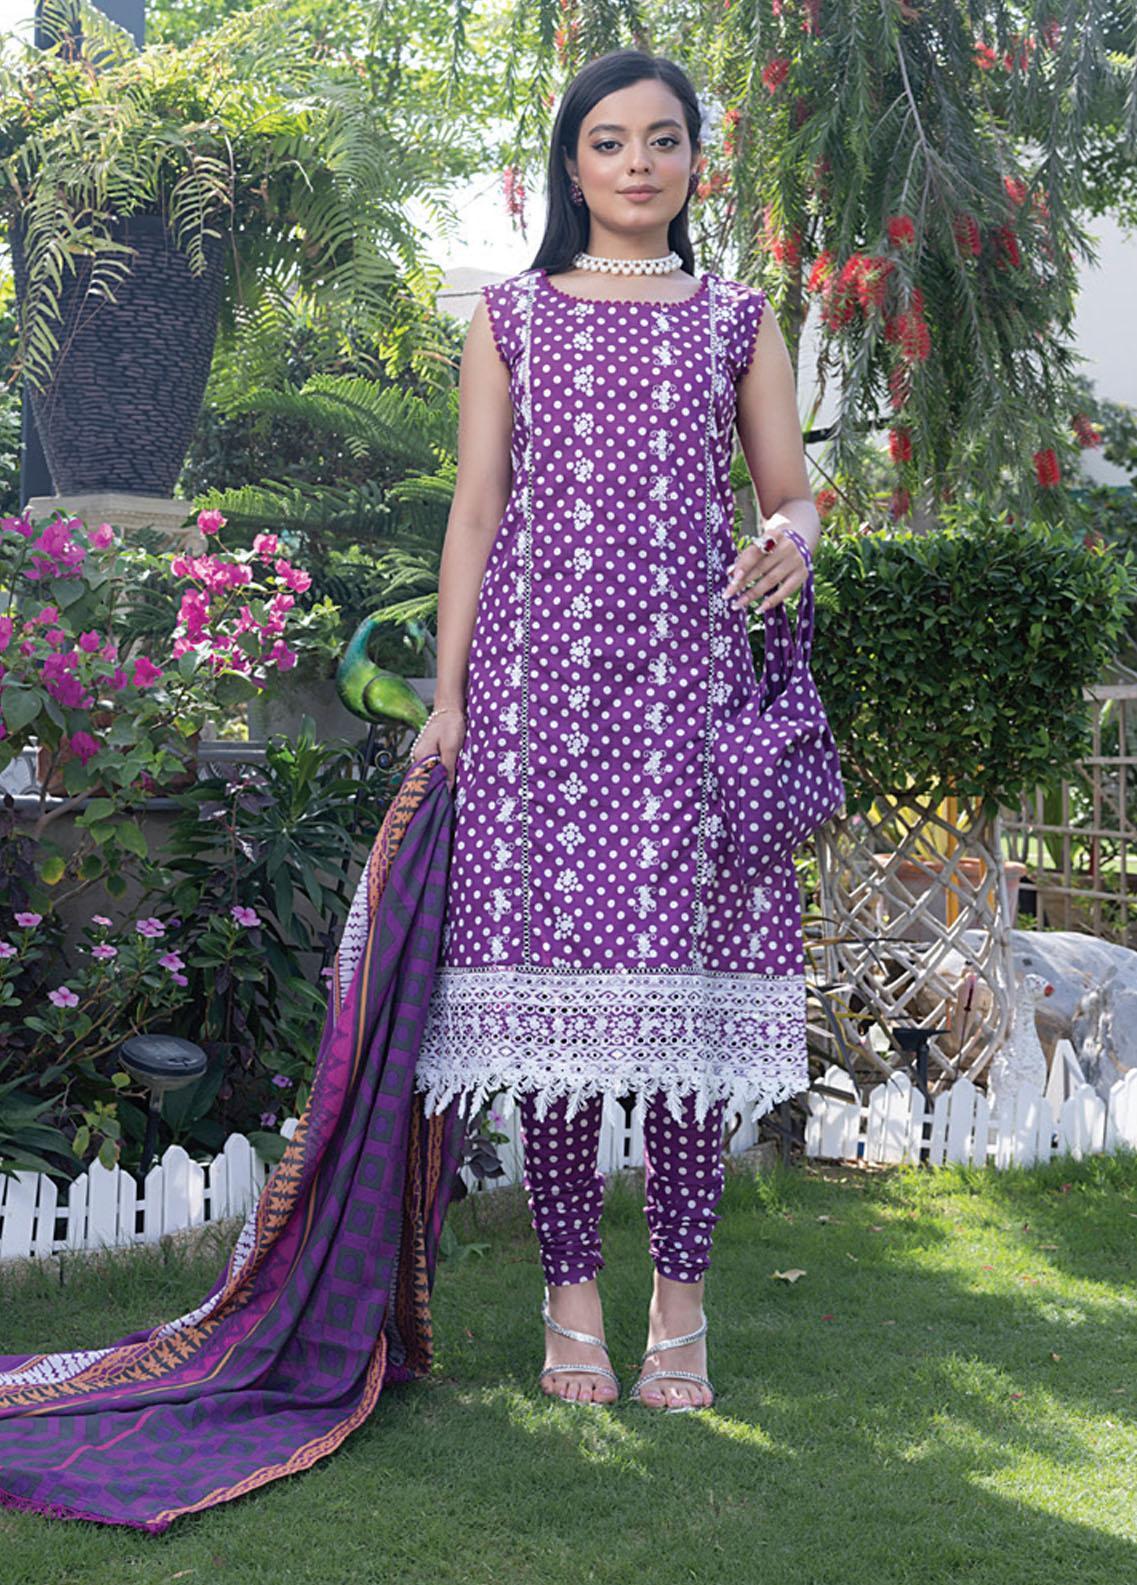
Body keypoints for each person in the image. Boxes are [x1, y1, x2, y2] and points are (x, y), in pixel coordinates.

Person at [409, 47, 822, 1413]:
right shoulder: (512, 314)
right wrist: (449, 698)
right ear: (571, 165)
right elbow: (476, 509)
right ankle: (571, 1300)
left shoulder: (737, 317)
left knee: (688, 1012)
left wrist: (790, 540)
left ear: (696, 160)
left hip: (690, 700)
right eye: (607, 140)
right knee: (557, 1009)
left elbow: (791, 493)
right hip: (538, 699)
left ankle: (682, 1308)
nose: (637, 162)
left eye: (661, 139)